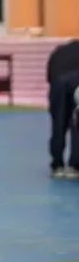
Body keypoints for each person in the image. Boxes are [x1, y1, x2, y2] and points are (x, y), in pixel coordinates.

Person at [47, 40, 79, 178]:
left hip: (57, 83)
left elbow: (49, 76)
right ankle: (75, 165)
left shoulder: (60, 50)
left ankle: (57, 164)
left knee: (58, 124)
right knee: (77, 124)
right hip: (76, 83)